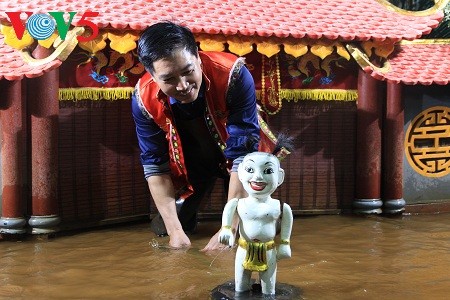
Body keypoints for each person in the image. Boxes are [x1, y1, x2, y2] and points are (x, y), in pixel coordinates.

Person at [131, 21, 284, 250]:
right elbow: (155, 165)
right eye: (169, 79)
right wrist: (175, 233)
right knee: (165, 232)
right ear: (152, 76)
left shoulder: (233, 74)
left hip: (241, 157)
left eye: (188, 71)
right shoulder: (143, 99)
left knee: (256, 228)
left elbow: (244, 153)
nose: (183, 86)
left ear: (198, 58)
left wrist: (228, 229)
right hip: (190, 163)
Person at [218, 151, 293, 295]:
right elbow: (228, 213)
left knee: (269, 289)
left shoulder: (279, 206)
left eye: (268, 171)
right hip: (243, 249)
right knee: (240, 286)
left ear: (280, 176)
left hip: (268, 250)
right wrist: (226, 229)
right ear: (240, 173)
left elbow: (287, 220)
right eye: (250, 170)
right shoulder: (238, 203)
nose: (258, 177)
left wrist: (285, 244)